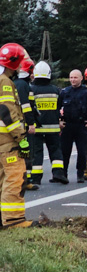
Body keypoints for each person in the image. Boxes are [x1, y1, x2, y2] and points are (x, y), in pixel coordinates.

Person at [0, 43, 35, 229]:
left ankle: (2, 218)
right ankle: (14, 220)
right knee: (15, 179)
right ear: (13, 63)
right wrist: (21, 138)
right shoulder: (5, 81)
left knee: (2, 181)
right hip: (8, 141)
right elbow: (7, 112)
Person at [59, 69, 87, 184]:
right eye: (71, 77)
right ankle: (64, 174)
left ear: (81, 78)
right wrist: (59, 120)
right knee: (65, 151)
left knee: (82, 151)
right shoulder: (64, 92)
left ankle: (80, 174)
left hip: (81, 125)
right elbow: (56, 108)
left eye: (75, 77)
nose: (73, 80)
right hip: (67, 126)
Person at [30, 61, 67, 184]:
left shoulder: (32, 90)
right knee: (56, 150)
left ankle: (36, 179)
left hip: (37, 128)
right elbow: (61, 108)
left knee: (37, 153)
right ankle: (58, 174)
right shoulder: (56, 90)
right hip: (53, 128)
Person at [14, 58, 38, 192]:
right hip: (23, 125)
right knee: (27, 151)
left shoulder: (13, 83)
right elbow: (27, 107)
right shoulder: (24, 85)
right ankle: (26, 181)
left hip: (15, 124)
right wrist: (31, 124)